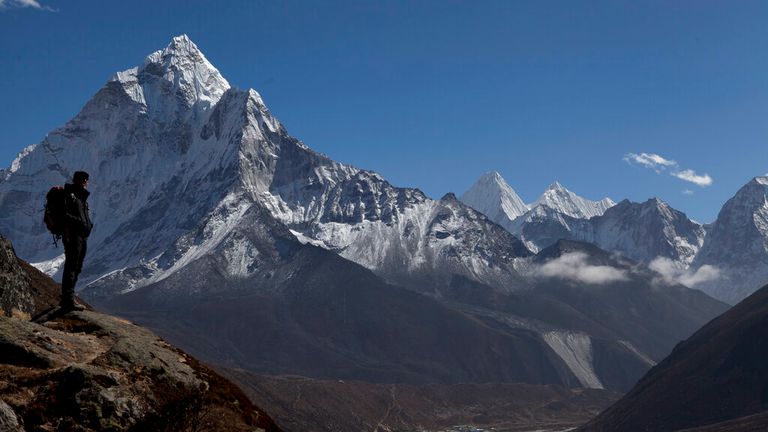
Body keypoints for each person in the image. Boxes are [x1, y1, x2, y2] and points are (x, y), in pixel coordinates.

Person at [60, 171, 93, 311]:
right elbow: (63, 214)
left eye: (86, 179)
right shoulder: (70, 195)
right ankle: (67, 299)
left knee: (77, 266)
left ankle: (68, 297)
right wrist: (80, 223)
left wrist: (88, 225)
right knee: (72, 266)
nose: (85, 181)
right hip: (72, 235)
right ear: (76, 180)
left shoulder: (82, 197)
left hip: (82, 235)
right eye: (82, 179)